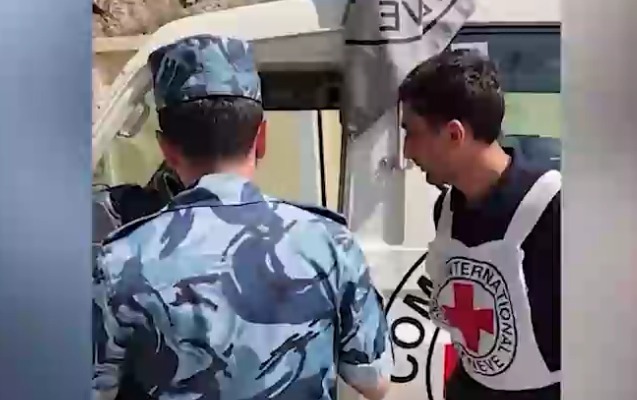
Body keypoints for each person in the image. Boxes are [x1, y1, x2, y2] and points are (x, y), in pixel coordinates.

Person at [91, 34, 393, 400]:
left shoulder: (121, 260)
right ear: (261, 137)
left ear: (167, 149)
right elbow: (374, 380)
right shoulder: (329, 244)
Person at [398, 49, 560, 400]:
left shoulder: (556, 208)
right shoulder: (447, 210)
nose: (407, 151)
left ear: (454, 134)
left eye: (412, 132)